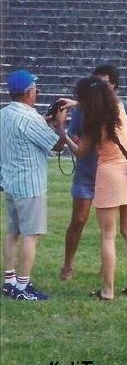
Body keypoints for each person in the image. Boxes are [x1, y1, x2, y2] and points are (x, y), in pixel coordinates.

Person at [61, 76, 127, 300]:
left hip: (109, 176)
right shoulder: (120, 108)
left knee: (108, 236)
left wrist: (61, 131)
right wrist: (76, 103)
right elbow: (103, 99)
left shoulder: (93, 120)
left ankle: (108, 290)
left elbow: (81, 152)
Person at [0, 70, 69, 300]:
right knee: (31, 235)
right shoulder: (30, 118)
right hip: (30, 185)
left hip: (10, 181)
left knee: (13, 233)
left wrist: (46, 121)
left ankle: (9, 281)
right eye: (35, 89)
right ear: (29, 92)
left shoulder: (5, 113)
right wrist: (59, 125)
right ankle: (23, 286)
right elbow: (57, 146)